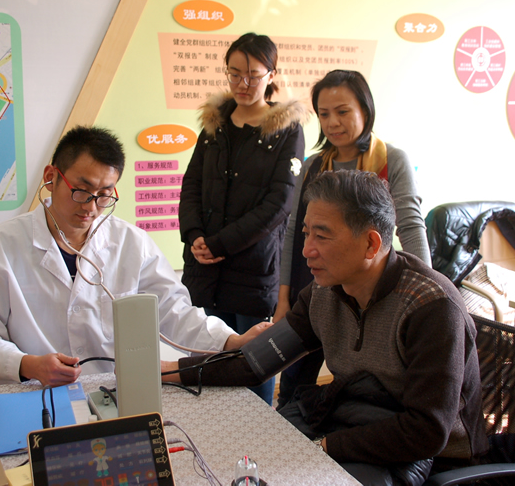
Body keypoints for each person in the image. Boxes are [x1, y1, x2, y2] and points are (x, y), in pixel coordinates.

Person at [163, 170, 487, 485]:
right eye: (306, 233)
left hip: (434, 460)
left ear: (371, 244)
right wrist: (168, 372)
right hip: (358, 426)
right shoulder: (324, 292)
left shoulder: (430, 306)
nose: (307, 250)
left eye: (322, 235)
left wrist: (325, 446)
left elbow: (426, 431)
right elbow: (255, 362)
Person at [0, 126, 268, 387]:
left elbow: (173, 311)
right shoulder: (0, 245)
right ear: (51, 177)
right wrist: (26, 364)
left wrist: (230, 341)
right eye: (81, 190)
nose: (90, 207)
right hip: (32, 392)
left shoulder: (131, 243)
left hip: (114, 390)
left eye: (104, 195)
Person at [274, 70, 431, 408]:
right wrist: (283, 298)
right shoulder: (314, 165)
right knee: (292, 385)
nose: (332, 122)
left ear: (365, 109)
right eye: (324, 114)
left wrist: (429, 290)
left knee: (363, 389)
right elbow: (293, 232)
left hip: (365, 294)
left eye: (343, 111)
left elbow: (410, 225)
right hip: (312, 290)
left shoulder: (391, 160)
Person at [178, 32, 308, 404]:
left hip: (253, 271)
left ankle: (255, 439)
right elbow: (192, 184)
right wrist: (194, 235)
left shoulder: (286, 130)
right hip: (207, 270)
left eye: (253, 75)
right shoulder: (214, 124)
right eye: (234, 74)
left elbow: (279, 203)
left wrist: (220, 243)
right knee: (209, 365)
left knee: (255, 366)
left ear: (271, 75)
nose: (243, 83)